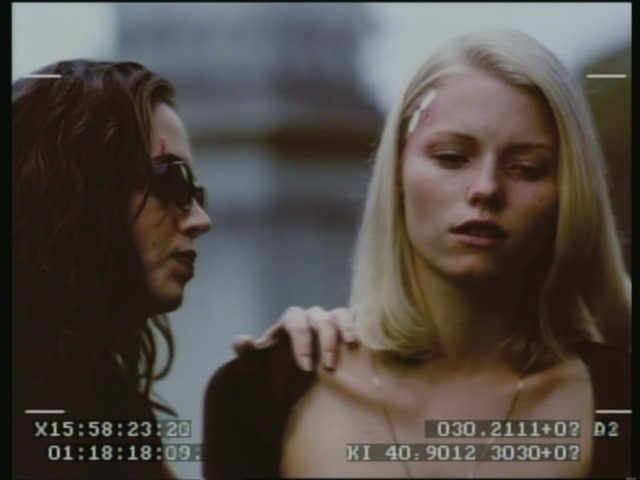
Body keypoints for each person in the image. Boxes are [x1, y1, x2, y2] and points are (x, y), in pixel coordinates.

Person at [203, 29, 632, 478]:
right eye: (451, 157)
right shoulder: (262, 391)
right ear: (397, 172)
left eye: (527, 168)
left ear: (568, 194)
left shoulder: (618, 400)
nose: (486, 188)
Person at [12, 59, 345, 479]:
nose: (200, 221)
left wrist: (268, 392)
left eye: (196, 194)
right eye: (172, 182)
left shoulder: (102, 400)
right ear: (77, 186)